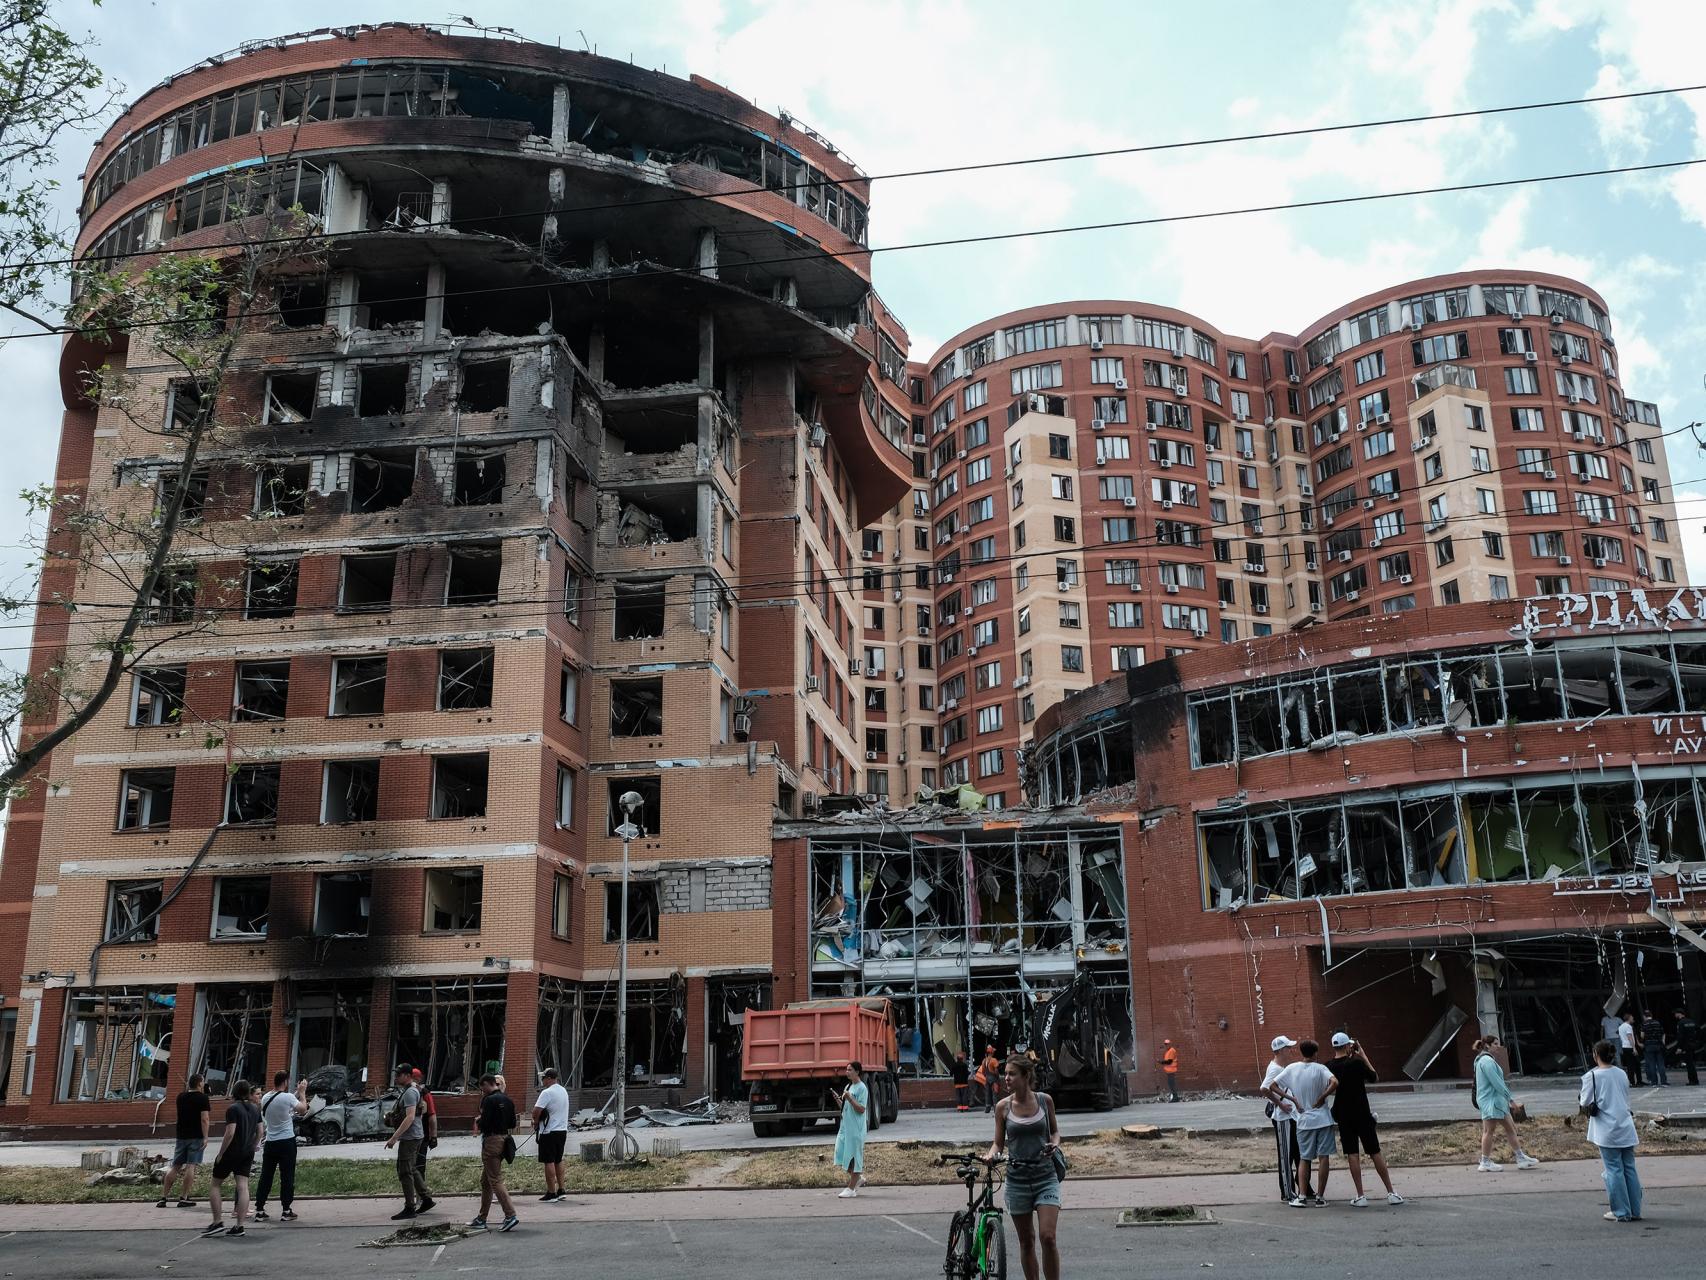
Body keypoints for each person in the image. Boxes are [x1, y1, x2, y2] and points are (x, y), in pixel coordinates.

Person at [986, 1056, 1062, 1280]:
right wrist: (991, 1155)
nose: (1006, 1078)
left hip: (1045, 1177)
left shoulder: (1044, 1100)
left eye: (1011, 1074)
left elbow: (1055, 1132)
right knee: (1026, 1241)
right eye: (1005, 1073)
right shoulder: (1003, 1107)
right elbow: (998, 1143)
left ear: (1026, 1076)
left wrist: (1054, 1145)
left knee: (1048, 1237)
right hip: (1017, 1181)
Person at [1327, 1032, 1403, 1206]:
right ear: (1348, 1046)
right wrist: (1363, 1055)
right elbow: (1375, 1078)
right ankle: (1391, 1192)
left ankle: (1360, 1195)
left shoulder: (1329, 1066)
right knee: (1374, 1151)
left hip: (1343, 1115)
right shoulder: (1356, 1063)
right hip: (1362, 1113)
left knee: (1352, 1153)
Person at [1581, 1038, 1642, 1222]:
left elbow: (1584, 1101)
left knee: (1613, 1169)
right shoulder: (1622, 1073)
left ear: (1595, 1055)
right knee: (1629, 1168)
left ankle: (1621, 1212)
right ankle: (1635, 1210)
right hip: (1625, 1125)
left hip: (1607, 1129)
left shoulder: (1591, 1076)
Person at [1269, 1039, 1336, 1207]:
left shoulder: (1292, 1069)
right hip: (1322, 1118)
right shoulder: (1321, 1069)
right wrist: (1322, 1097)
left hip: (1303, 1120)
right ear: (1315, 1053)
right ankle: (1320, 1197)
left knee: (1304, 1158)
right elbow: (1335, 1082)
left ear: (1301, 1053)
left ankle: (1302, 1195)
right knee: (1323, 1157)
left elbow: (1272, 1085)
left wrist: (1292, 1099)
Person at [200, 1079, 261, 1238]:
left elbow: (230, 1132)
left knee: (215, 1184)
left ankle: (217, 1222)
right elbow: (260, 1131)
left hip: (232, 1150)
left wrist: (221, 1153)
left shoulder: (233, 1109)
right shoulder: (255, 1109)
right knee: (243, 1186)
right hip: (247, 1152)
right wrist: (253, 1145)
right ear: (248, 1092)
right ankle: (239, 1226)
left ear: (234, 1091)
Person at [1472, 1036, 1538, 1171]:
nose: (1498, 1046)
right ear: (1488, 1046)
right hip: (1492, 1102)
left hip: (1494, 1101)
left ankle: (1520, 1157)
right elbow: (1497, 1083)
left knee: (1510, 1128)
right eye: (1496, 1044)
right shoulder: (1487, 1062)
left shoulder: (1482, 1060)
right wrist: (1511, 1100)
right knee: (1489, 1131)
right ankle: (1485, 1161)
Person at [1260, 1035, 1313, 1204]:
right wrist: (1281, 1105)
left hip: (1291, 1116)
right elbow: (1264, 1088)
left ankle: (1303, 1186)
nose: (1291, 1050)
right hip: (1283, 1118)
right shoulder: (1275, 1068)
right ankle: (1287, 1192)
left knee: (1298, 1153)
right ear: (1281, 1050)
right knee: (1286, 1156)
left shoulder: (1281, 1066)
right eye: (1288, 1048)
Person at [252, 1073, 308, 1222]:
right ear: (285, 1081)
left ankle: (259, 1209)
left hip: (270, 1142)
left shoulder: (265, 1098)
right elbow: (303, 1109)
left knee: (266, 1176)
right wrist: (302, 1093)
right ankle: (286, 1210)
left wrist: (295, 1093)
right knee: (287, 1176)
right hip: (286, 1142)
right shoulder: (287, 1097)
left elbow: (283, 1104)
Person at [469, 1073, 520, 1233]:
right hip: (504, 1140)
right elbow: (512, 1122)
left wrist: (479, 1121)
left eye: (482, 1087)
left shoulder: (488, 1100)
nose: (481, 1091)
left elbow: (485, 1123)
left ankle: (510, 1215)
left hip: (491, 1141)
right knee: (486, 1181)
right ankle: (482, 1218)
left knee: (495, 1180)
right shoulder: (508, 1099)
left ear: (486, 1084)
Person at [382, 1062, 434, 1219]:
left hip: (410, 1137)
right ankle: (426, 1199)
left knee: (405, 1172)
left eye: (398, 1074)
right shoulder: (410, 1090)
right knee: (411, 1169)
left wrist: (394, 1138)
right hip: (414, 1136)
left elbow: (410, 1117)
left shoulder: (410, 1092)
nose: (396, 1077)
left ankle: (410, 1207)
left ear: (407, 1075)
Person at [159, 1074, 210, 1209]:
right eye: (203, 1082)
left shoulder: (180, 1097)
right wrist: (205, 1137)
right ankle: (184, 1197)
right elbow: (204, 1119)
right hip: (196, 1136)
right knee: (190, 1166)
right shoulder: (203, 1098)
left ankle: (163, 1197)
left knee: (176, 1166)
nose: (204, 1084)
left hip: (181, 1135)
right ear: (199, 1084)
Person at [831, 1061, 869, 1198]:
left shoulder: (861, 1088)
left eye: (850, 1069)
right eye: (846, 1070)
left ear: (857, 1072)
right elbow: (845, 1107)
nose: (847, 1072)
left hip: (856, 1129)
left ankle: (851, 1189)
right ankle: (858, 1179)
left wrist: (850, 1098)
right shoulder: (848, 1086)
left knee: (855, 1158)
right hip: (845, 1127)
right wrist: (838, 1100)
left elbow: (861, 1109)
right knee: (840, 1154)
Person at [533, 1067, 571, 1202]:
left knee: (548, 1161)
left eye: (543, 1078)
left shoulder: (546, 1093)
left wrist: (536, 1122)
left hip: (549, 1131)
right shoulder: (563, 1090)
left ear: (549, 1078)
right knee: (558, 1160)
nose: (542, 1080)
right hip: (562, 1130)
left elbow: (536, 1110)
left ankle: (551, 1192)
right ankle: (561, 1189)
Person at [410, 1067, 439, 1188]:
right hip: (413, 1135)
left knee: (419, 1166)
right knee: (410, 1167)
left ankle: (421, 1196)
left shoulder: (424, 1093)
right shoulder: (408, 1092)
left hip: (422, 1135)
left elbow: (432, 1115)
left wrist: (433, 1136)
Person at [1639, 1009, 1668, 1086]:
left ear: (1644, 1016)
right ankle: (1664, 1082)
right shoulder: (1657, 1022)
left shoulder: (1644, 1024)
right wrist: (1663, 1042)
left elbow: (1642, 1036)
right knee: (1660, 1064)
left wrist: (1642, 1042)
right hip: (1658, 1045)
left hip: (1649, 1046)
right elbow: (1663, 1033)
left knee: (1651, 1064)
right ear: (1651, 1015)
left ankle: (1654, 1082)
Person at [1673, 1008, 1699, 1087]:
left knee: (1689, 1064)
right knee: (1692, 1063)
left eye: (1675, 1013)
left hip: (1686, 1046)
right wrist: (1695, 1040)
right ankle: (1695, 1080)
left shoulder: (1680, 1023)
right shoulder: (1691, 1021)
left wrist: (1679, 1047)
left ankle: (1692, 1081)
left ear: (1679, 1014)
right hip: (1693, 1044)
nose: (1675, 1015)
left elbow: (1680, 1036)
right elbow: (1699, 1030)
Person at [1617, 1012, 1641, 1086]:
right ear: (1629, 1018)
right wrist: (1634, 1048)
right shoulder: (1628, 1026)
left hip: (1624, 1046)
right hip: (1630, 1047)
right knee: (1636, 1064)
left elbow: (1621, 1037)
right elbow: (1630, 1037)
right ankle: (1637, 1081)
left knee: (1630, 1065)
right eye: (1632, 1018)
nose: (1633, 1019)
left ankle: (1632, 1082)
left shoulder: (1620, 1027)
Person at [977, 1045, 1002, 1113]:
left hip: (987, 1078)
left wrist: (986, 1076)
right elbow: (996, 1071)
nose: (994, 1052)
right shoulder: (994, 1060)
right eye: (993, 1051)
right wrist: (997, 1077)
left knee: (987, 1093)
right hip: (993, 1078)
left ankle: (987, 1108)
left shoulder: (984, 1060)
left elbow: (983, 1071)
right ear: (991, 1053)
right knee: (994, 1093)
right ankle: (995, 1108)